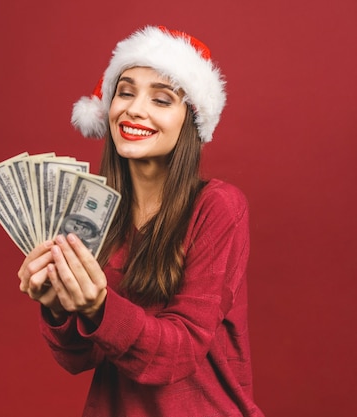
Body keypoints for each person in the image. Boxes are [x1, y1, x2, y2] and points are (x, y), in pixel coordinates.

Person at [17, 25, 265, 416]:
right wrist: (58, 309)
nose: (134, 109)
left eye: (162, 100)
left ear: (190, 120)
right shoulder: (92, 211)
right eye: (125, 92)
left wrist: (99, 305)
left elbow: (179, 352)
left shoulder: (218, 207)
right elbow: (80, 358)